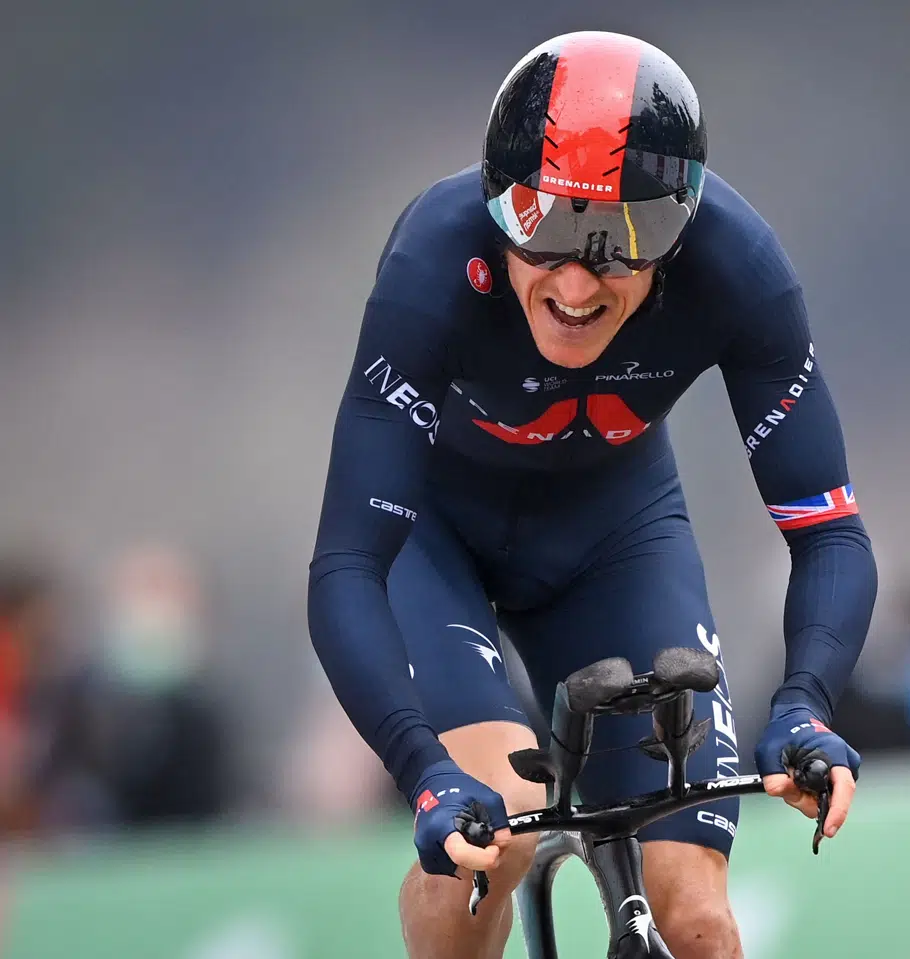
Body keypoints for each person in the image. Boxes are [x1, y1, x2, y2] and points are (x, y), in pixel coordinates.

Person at [307, 31, 877, 959]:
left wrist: (807, 703)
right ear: (499, 206)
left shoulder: (740, 270)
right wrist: (423, 770)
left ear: (679, 230)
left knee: (694, 920)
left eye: (620, 244)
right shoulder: (432, 265)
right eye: (543, 231)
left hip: (615, 537)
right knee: (492, 839)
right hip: (435, 541)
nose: (574, 282)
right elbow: (345, 565)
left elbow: (829, 535)